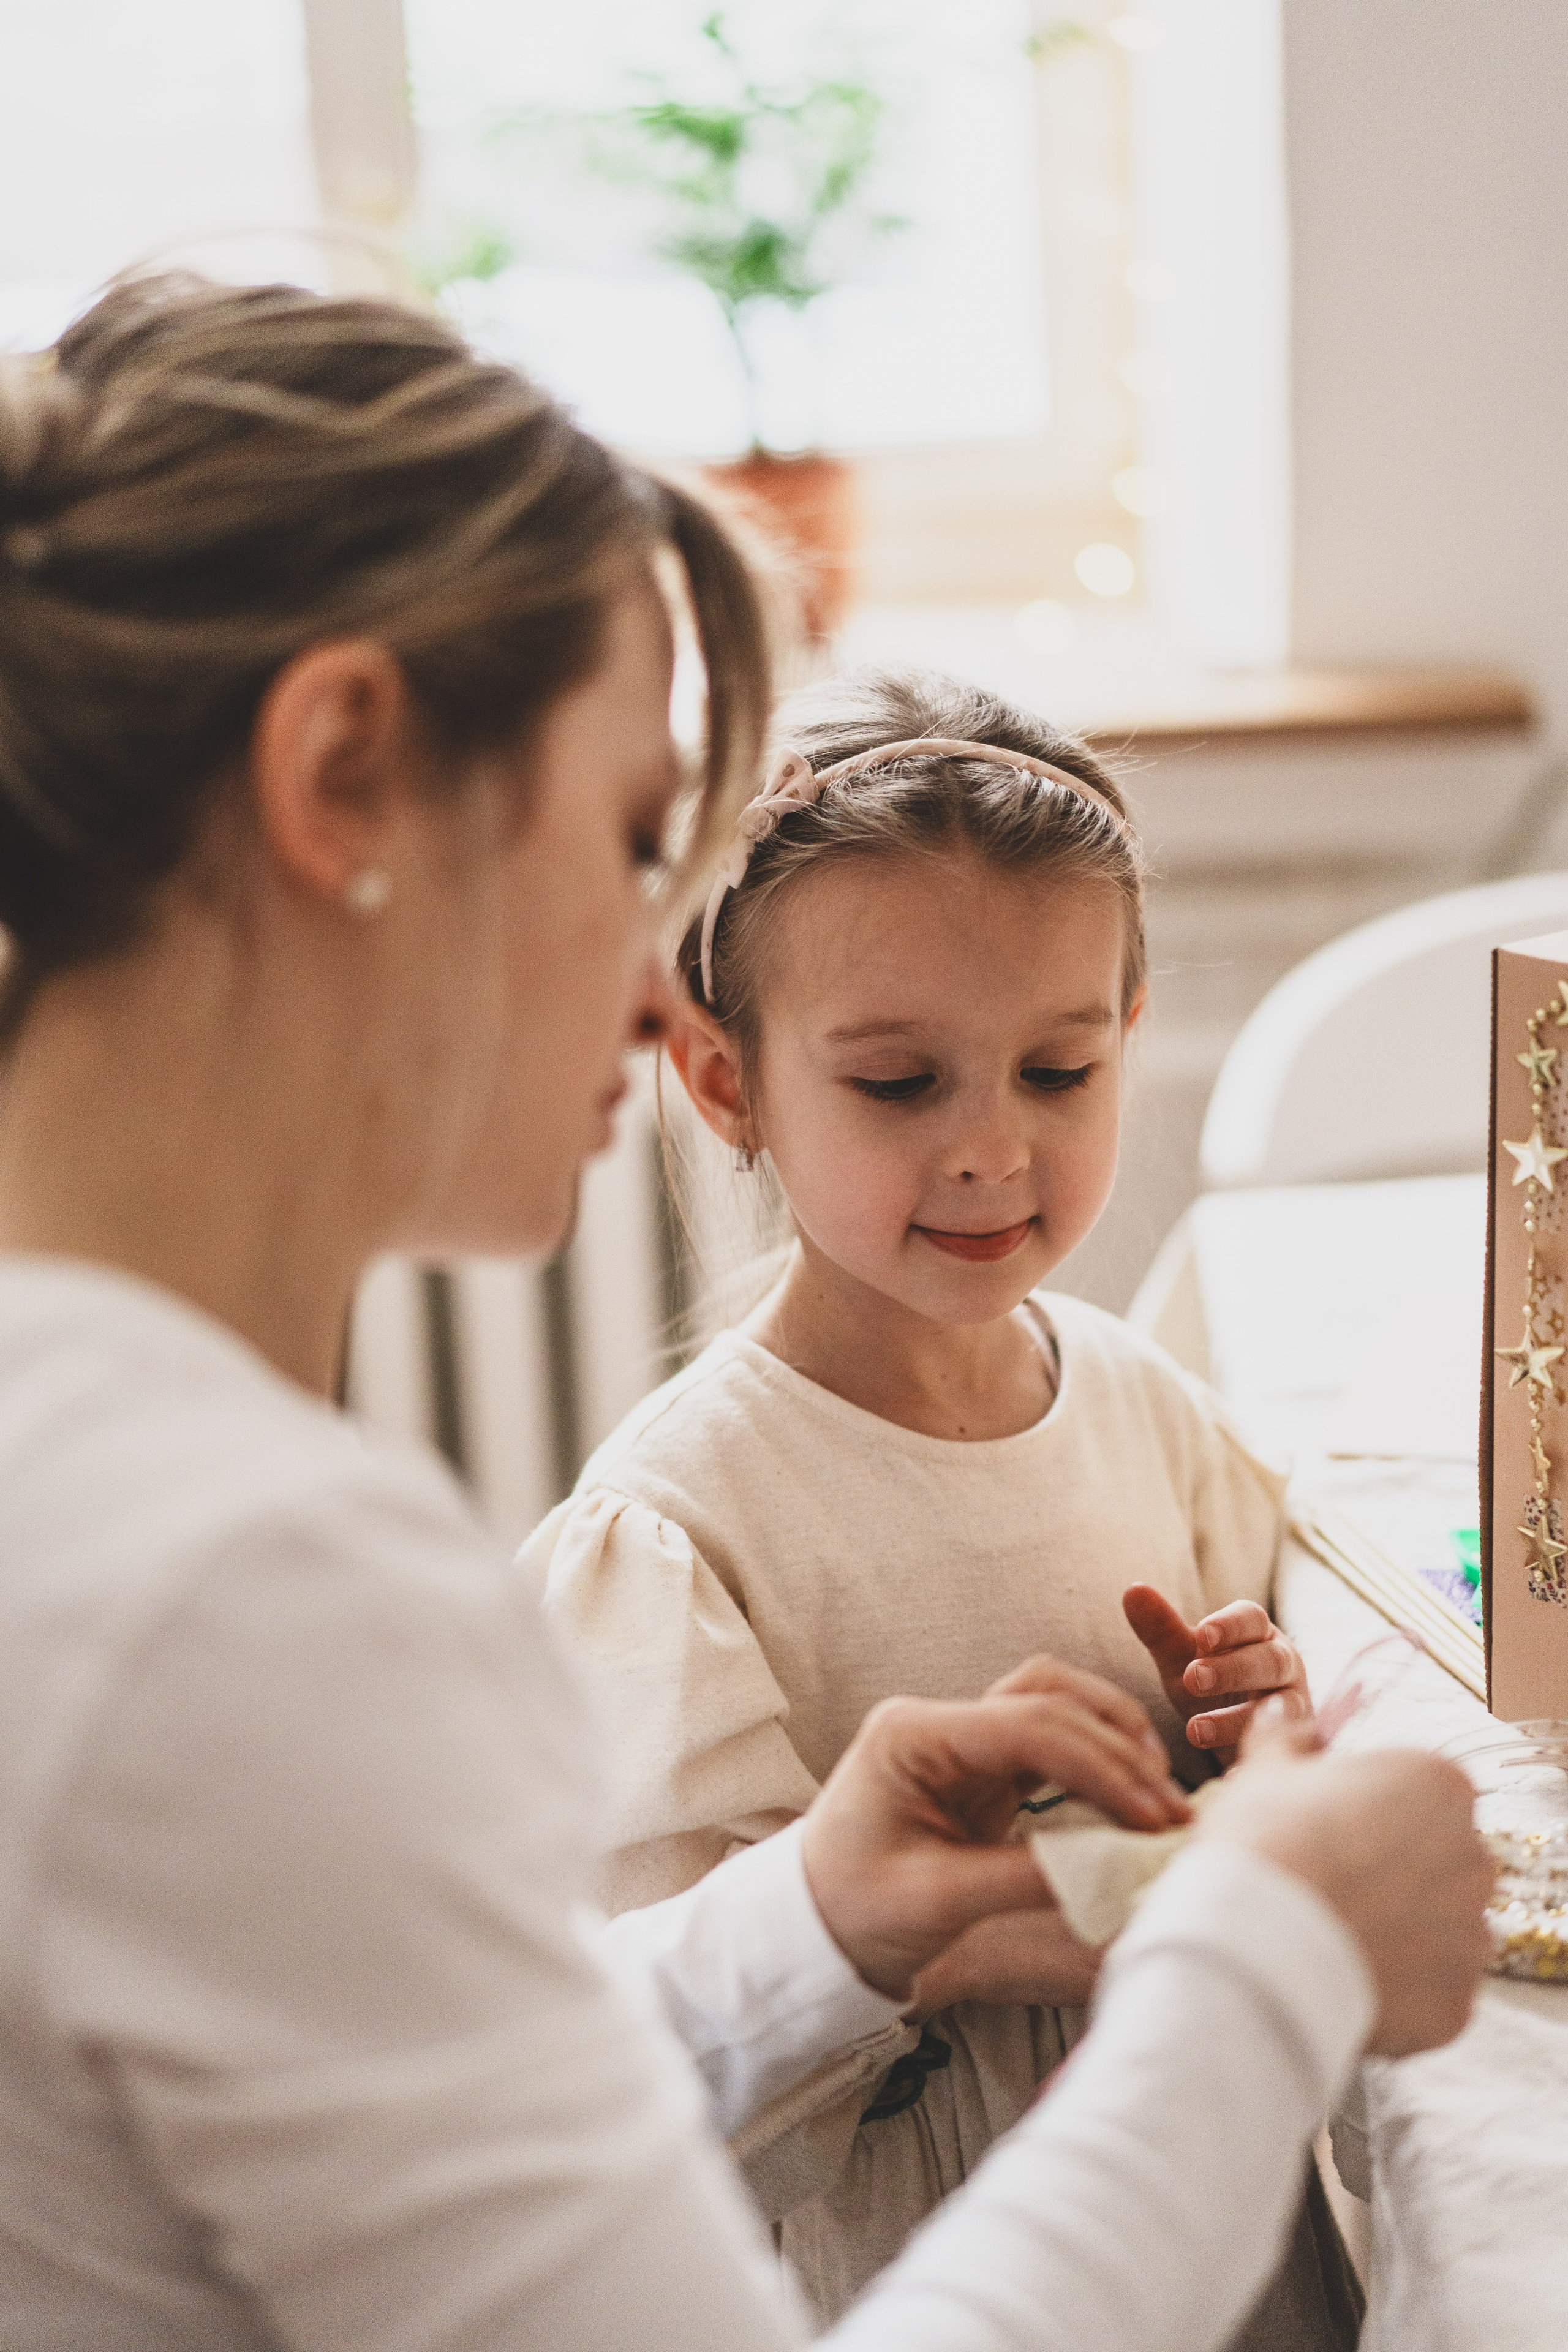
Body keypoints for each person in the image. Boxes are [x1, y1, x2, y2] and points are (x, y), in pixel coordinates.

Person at [0, 272, 1490, 2352]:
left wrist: (808, 1918)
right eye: (629, 841)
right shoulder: (227, 1596)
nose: (655, 983)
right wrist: (1269, 1961)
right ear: (340, 774)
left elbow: (423, 2113)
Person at [530, 667, 1351, 2328]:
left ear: (1131, 1034)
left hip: (1219, 2207)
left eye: (1057, 1073)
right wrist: (1155, 1898)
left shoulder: (1138, 1396)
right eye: (901, 1086)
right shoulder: (679, 1536)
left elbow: (1250, 1723)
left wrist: (1248, 1720)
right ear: (725, 1080)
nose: (991, 1152)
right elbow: (701, 2043)